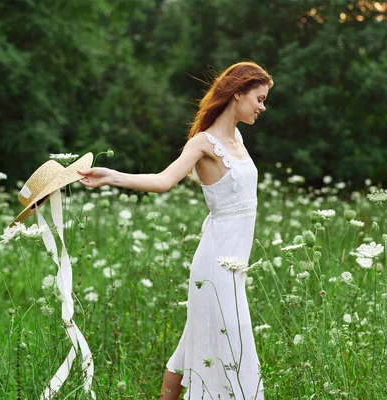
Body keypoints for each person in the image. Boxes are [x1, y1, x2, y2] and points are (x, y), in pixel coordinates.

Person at [78, 61, 272, 400]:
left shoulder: (237, 138)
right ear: (238, 93)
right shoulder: (203, 143)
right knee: (230, 340)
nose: (262, 107)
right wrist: (111, 176)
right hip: (216, 264)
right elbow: (163, 180)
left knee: (195, 342)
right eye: (259, 98)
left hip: (235, 265)